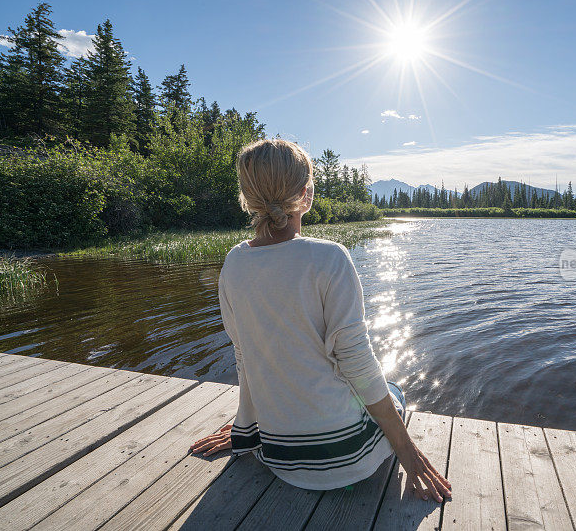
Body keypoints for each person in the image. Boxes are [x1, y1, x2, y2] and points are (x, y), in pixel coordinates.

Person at [190, 139, 451, 502]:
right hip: (345, 458)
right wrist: (408, 453)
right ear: (306, 194)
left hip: (281, 458)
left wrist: (245, 429)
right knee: (395, 391)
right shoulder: (330, 258)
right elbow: (357, 362)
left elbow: (244, 356)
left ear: (246, 198)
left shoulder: (234, 262)